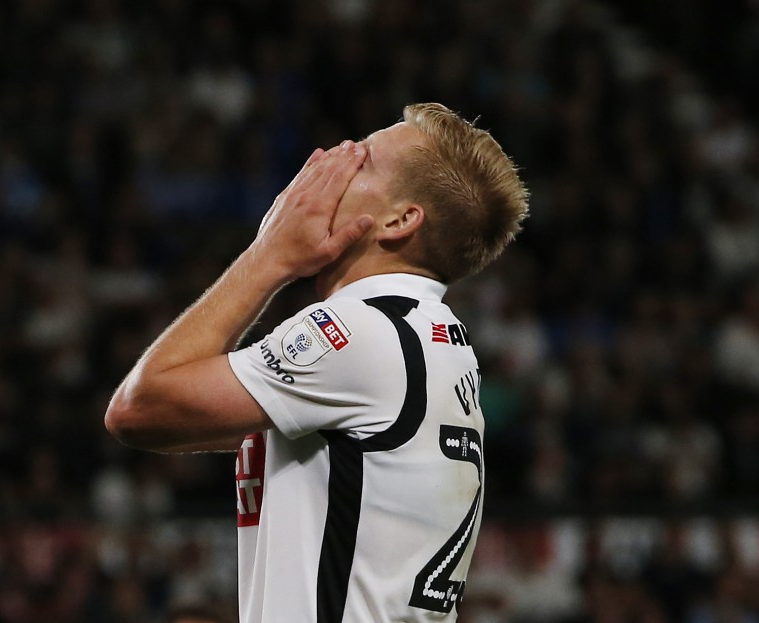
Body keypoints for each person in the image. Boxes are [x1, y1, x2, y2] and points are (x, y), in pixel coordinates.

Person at [105, 103, 529, 622]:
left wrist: (269, 255)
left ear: (399, 220)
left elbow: (140, 408)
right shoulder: (432, 338)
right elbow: (189, 427)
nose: (335, 158)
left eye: (364, 159)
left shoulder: (358, 333)